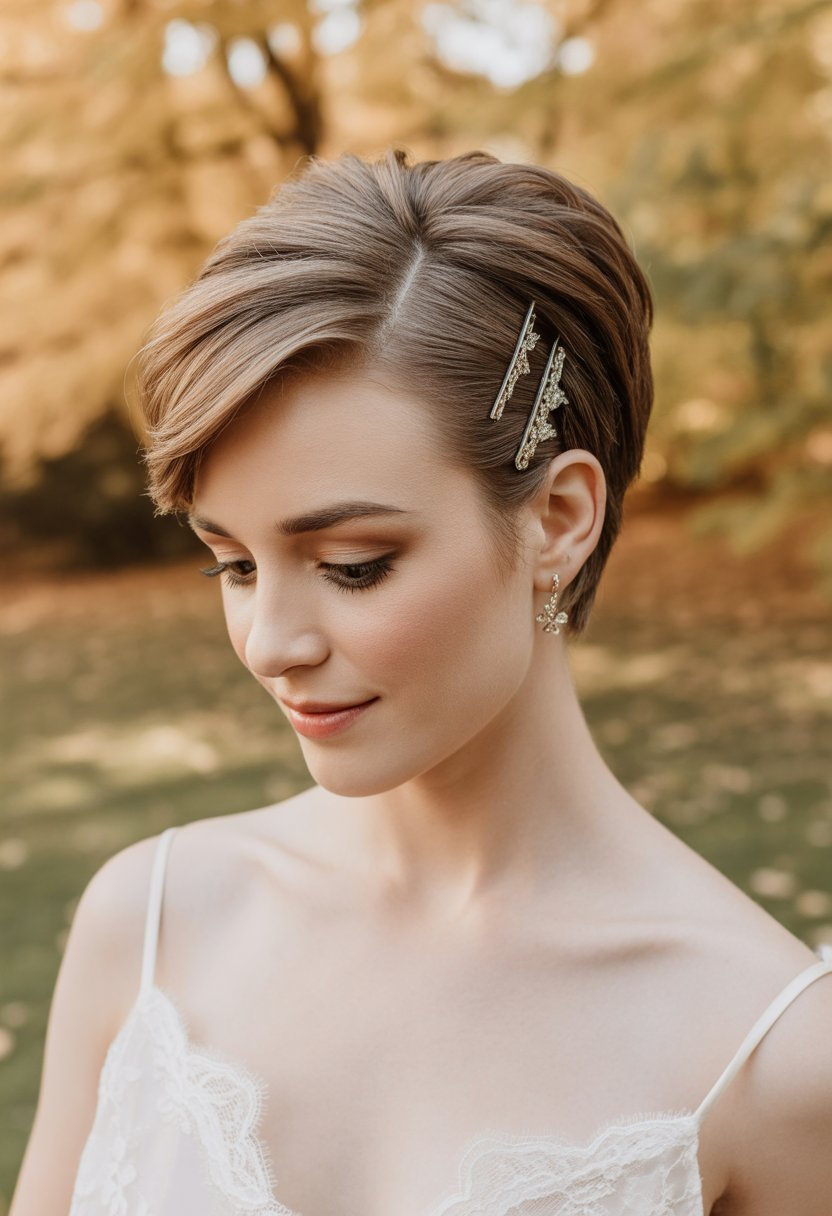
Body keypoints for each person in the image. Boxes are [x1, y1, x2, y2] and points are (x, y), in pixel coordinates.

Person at [10, 148, 832, 1216]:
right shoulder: (154, 920)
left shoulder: (768, 1059)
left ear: (557, 520)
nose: (269, 642)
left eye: (353, 565)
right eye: (234, 563)